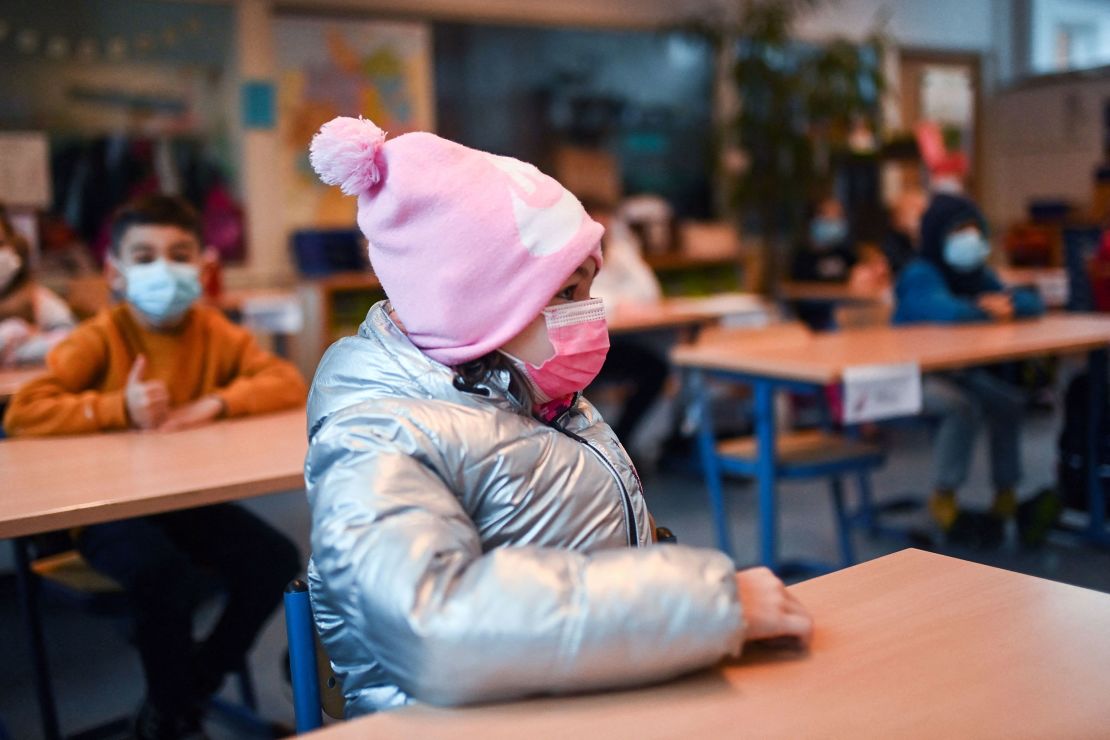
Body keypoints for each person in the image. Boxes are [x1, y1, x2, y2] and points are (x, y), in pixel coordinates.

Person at [303, 116, 813, 717]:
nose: (591, 315)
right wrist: (710, 604)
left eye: (589, 287)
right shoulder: (378, 435)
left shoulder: (528, 387)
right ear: (472, 302)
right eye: (568, 293)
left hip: (583, 691)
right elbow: (433, 630)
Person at [3, 195, 305, 739]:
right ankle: (172, 714)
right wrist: (119, 407)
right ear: (115, 273)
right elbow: (26, 410)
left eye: (178, 254)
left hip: (182, 503)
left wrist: (213, 404)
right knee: (165, 577)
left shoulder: (213, 330)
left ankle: (185, 692)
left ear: (203, 267)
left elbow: (283, 380)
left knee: (275, 558)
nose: (162, 269)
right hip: (103, 511)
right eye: (144, 257)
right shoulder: (101, 334)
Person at [894, 193, 1044, 546]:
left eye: (975, 231)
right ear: (937, 236)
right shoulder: (920, 273)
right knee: (960, 407)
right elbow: (947, 312)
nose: (970, 240)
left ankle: (1005, 495)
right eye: (959, 232)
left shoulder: (976, 274)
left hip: (956, 371)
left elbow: (1028, 301)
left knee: (1008, 403)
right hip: (909, 377)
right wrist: (985, 307)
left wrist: (1001, 304)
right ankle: (944, 498)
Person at [583, 198, 669, 458]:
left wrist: (624, 248)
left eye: (608, 224)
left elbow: (650, 293)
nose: (604, 229)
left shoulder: (618, 252)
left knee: (657, 369)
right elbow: (580, 301)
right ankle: (591, 452)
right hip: (576, 351)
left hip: (610, 345)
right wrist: (618, 303)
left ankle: (623, 441)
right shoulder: (567, 256)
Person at [0, 204, 75, 366]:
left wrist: (24, 349)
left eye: (0, 244)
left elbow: (73, 338)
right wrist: (5, 338)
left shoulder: (33, 296)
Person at [791, 195, 858, 330]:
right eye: (829, 217)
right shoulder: (803, 254)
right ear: (815, 219)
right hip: (816, 313)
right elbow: (799, 290)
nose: (834, 222)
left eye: (838, 217)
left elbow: (857, 272)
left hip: (844, 307)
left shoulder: (844, 252)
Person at [880, 187, 928, 279]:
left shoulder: (929, 237)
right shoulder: (891, 244)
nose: (922, 219)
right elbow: (911, 268)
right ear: (897, 218)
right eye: (916, 211)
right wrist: (916, 236)